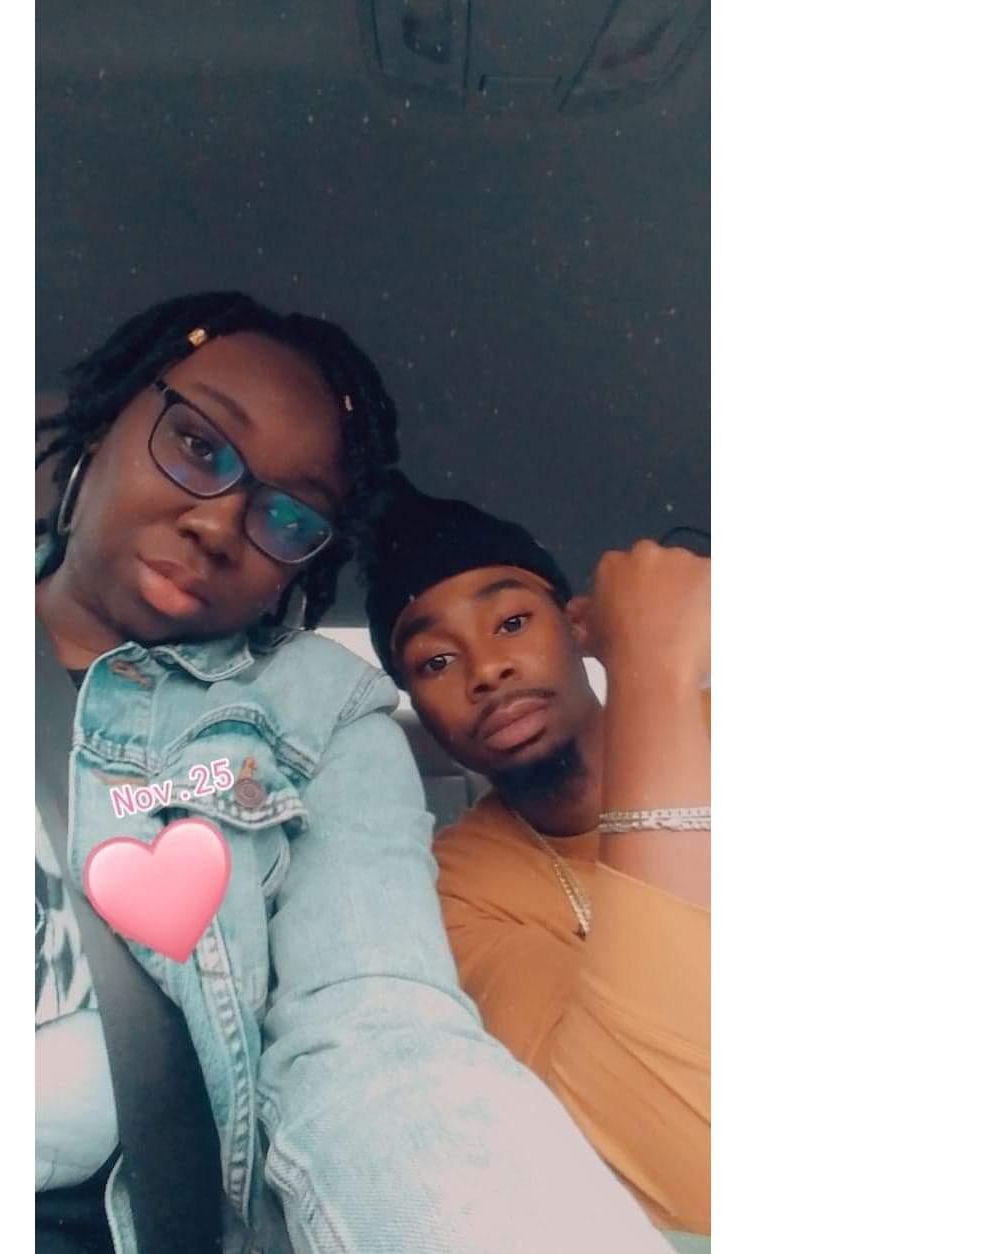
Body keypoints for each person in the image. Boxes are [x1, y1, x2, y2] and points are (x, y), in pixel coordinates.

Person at [35, 293, 670, 1253]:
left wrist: (659, 670)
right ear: (105, 418)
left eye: (288, 516)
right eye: (200, 447)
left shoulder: (319, 718)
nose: (221, 524)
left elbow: (380, 1036)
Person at [364, 472, 711, 1240]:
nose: (486, 668)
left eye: (513, 621)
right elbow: (676, 1159)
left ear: (578, 623)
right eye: (436, 662)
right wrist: (650, 669)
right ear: (419, 709)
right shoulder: (453, 890)